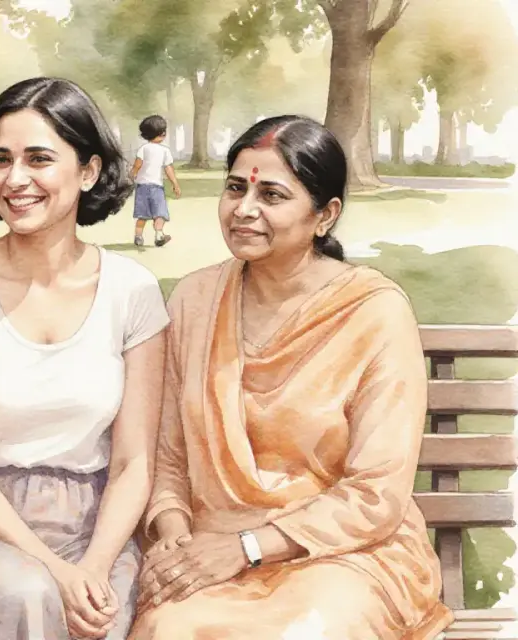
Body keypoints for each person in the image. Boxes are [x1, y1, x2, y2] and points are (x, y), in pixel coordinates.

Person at [128, 115, 454, 639]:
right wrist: (172, 533)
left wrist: (248, 547)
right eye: (235, 188)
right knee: (168, 629)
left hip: (344, 557)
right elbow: (169, 454)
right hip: (210, 552)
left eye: (272, 195)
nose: (244, 210)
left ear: (325, 216)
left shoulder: (373, 312)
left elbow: (375, 493)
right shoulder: (195, 298)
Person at [0, 77, 169, 639]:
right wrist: (52, 571)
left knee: (104, 613)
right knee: (28, 594)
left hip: (95, 533)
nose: (15, 179)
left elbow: (132, 464)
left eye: (38, 159)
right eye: (0, 160)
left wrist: (91, 568)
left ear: (88, 171)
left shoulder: (132, 291)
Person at [129, 115, 180, 248]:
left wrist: (132, 174)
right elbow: (168, 169)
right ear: (163, 133)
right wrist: (175, 184)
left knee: (142, 215)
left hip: (142, 187)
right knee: (160, 213)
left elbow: (137, 165)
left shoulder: (143, 149)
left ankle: (138, 237)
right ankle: (159, 235)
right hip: (157, 187)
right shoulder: (165, 151)